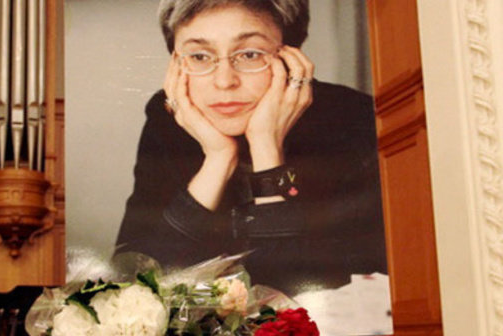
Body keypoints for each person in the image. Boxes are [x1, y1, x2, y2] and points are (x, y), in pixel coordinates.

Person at [115, 0, 386, 296]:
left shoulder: (354, 119)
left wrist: (267, 149)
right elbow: (138, 281)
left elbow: (312, 299)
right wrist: (218, 159)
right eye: (200, 56)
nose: (224, 81)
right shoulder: (168, 118)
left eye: (249, 54)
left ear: (291, 58)